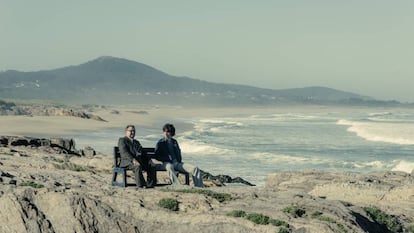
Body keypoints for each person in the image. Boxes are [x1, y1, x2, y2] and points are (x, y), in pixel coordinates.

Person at [155, 123, 203, 187]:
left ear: (172, 133)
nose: (166, 133)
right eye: (164, 131)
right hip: (166, 163)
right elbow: (157, 156)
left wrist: (178, 161)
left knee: (195, 169)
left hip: (177, 163)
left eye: (168, 132)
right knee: (170, 167)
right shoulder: (160, 143)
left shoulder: (174, 142)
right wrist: (168, 159)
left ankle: (199, 187)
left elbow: (178, 154)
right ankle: (177, 186)